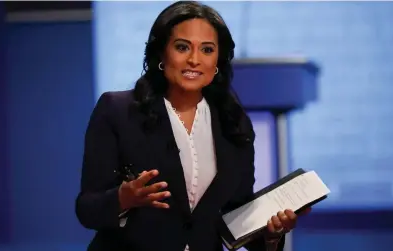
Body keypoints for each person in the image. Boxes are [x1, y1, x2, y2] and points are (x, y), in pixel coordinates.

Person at [75, 1, 311, 251]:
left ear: (218, 60)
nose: (194, 59)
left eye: (207, 50)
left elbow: (235, 218)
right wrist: (123, 199)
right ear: (161, 55)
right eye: (182, 47)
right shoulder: (118, 111)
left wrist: (271, 234)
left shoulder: (234, 122)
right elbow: (87, 209)